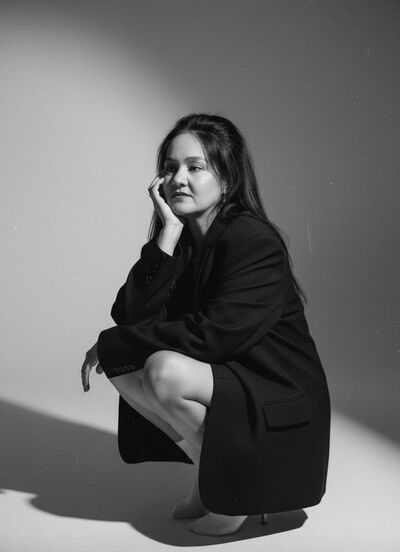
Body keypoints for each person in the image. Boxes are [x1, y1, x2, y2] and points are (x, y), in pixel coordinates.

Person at [81, 113, 331, 537]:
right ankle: (210, 476)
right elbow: (130, 317)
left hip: (274, 391)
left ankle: (236, 490)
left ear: (227, 179)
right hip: (233, 379)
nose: (178, 179)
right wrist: (165, 237)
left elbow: (213, 336)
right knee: (122, 365)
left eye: (195, 167)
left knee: (161, 368)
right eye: (170, 168)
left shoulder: (253, 239)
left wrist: (118, 341)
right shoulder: (184, 241)